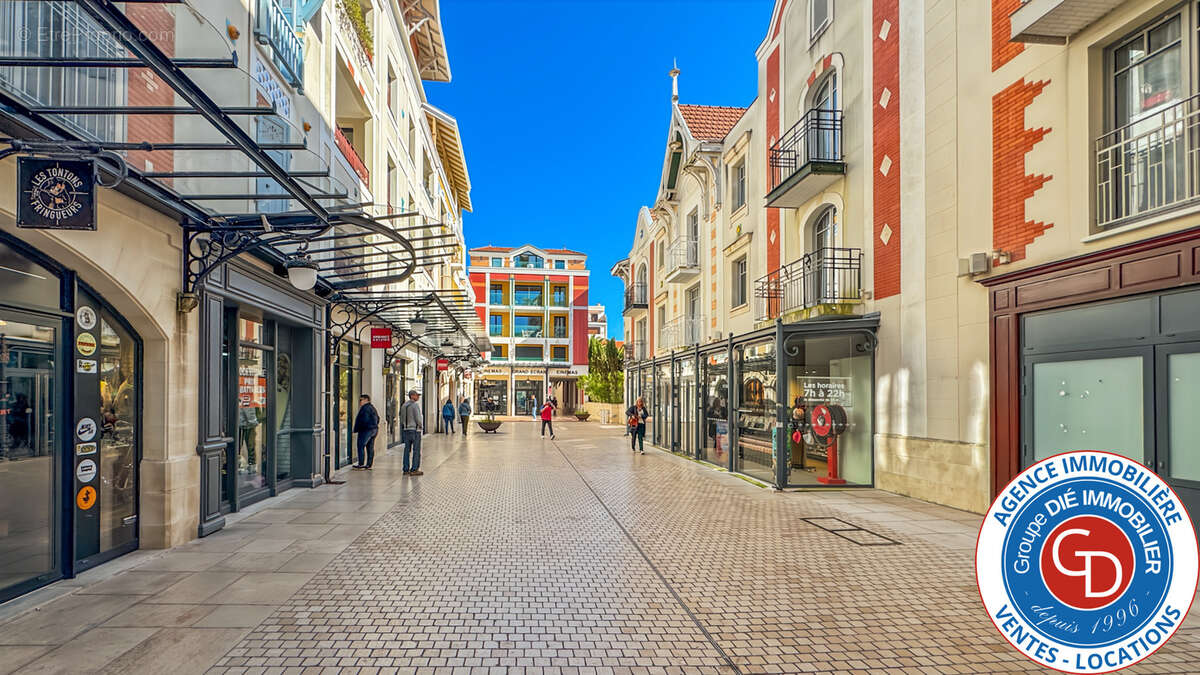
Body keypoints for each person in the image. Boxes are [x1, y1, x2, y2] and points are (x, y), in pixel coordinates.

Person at [352, 394, 380, 470]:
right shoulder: (372, 407)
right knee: (370, 447)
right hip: (374, 429)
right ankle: (369, 465)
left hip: (366, 430)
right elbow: (378, 418)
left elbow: (364, 420)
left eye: (361, 400)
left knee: (361, 446)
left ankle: (361, 464)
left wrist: (359, 427)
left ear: (366, 400)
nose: (360, 402)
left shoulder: (365, 408)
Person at [401, 389, 424, 476]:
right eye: (417, 395)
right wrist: (421, 425)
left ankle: (405, 469)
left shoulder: (404, 405)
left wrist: (405, 425)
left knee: (407, 450)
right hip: (414, 430)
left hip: (406, 430)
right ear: (412, 396)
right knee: (416, 450)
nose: (418, 397)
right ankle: (414, 469)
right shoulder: (415, 405)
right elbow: (418, 418)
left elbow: (402, 417)